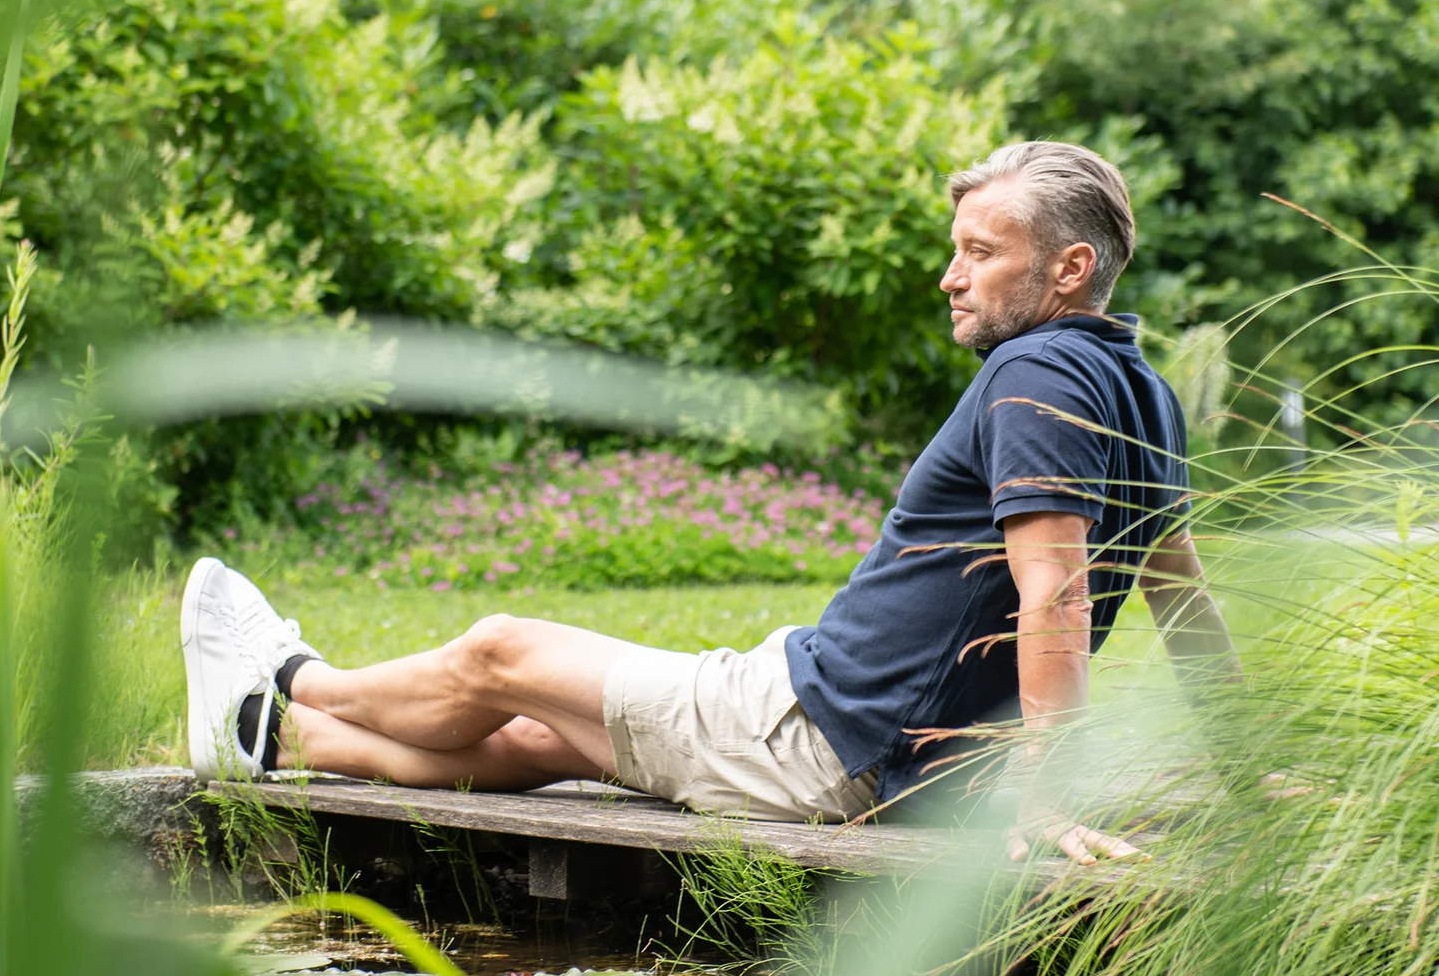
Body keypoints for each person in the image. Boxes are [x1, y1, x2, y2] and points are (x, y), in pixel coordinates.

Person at [181, 140, 1239, 860]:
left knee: (501, 652)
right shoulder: (1141, 390)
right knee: (542, 736)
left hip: (826, 736)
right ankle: (275, 739)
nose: (948, 277)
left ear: (1070, 268)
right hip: (869, 738)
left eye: (979, 252)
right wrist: (1248, 770)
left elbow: (1049, 592)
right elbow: (1185, 601)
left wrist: (1046, 787)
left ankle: (293, 677)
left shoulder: (1037, 375)